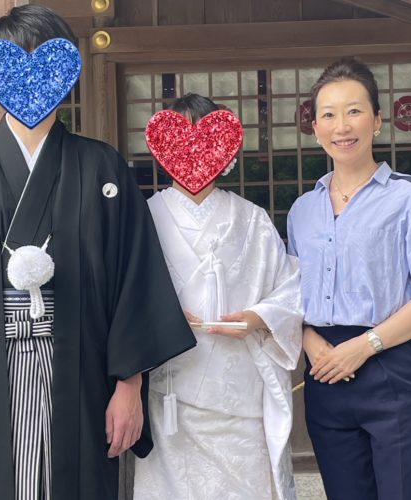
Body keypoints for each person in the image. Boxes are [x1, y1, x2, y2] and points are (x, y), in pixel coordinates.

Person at [0, 5, 195, 500]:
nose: (31, 82)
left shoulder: (101, 168)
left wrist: (129, 387)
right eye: (16, 66)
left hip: (82, 373)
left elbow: (135, 281)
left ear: (66, 75)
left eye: (44, 66)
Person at [287, 58, 411, 500]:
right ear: (315, 126)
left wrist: (364, 347)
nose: (341, 126)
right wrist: (311, 343)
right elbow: (289, 293)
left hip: (393, 368)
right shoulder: (301, 210)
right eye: (327, 114)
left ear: (378, 121)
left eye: (354, 111)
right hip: (326, 374)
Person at [133, 93, 303, 500]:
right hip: (170, 392)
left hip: (238, 391)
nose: (192, 153)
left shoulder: (252, 219)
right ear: (163, 151)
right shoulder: (143, 217)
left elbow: (290, 289)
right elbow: (121, 297)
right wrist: (162, 316)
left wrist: (257, 317)